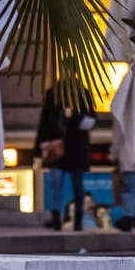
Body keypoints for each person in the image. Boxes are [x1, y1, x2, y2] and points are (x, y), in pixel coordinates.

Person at [37, 83, 95, 232]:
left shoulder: (83, 93)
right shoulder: (53, 93)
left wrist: (74, 116)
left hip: (76, 147)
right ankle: (56, 217)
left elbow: (91, 119)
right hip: (58, 147)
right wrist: (39, 147)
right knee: (58, 181)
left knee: (77, 185)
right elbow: (45, 121)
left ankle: (77, 218)